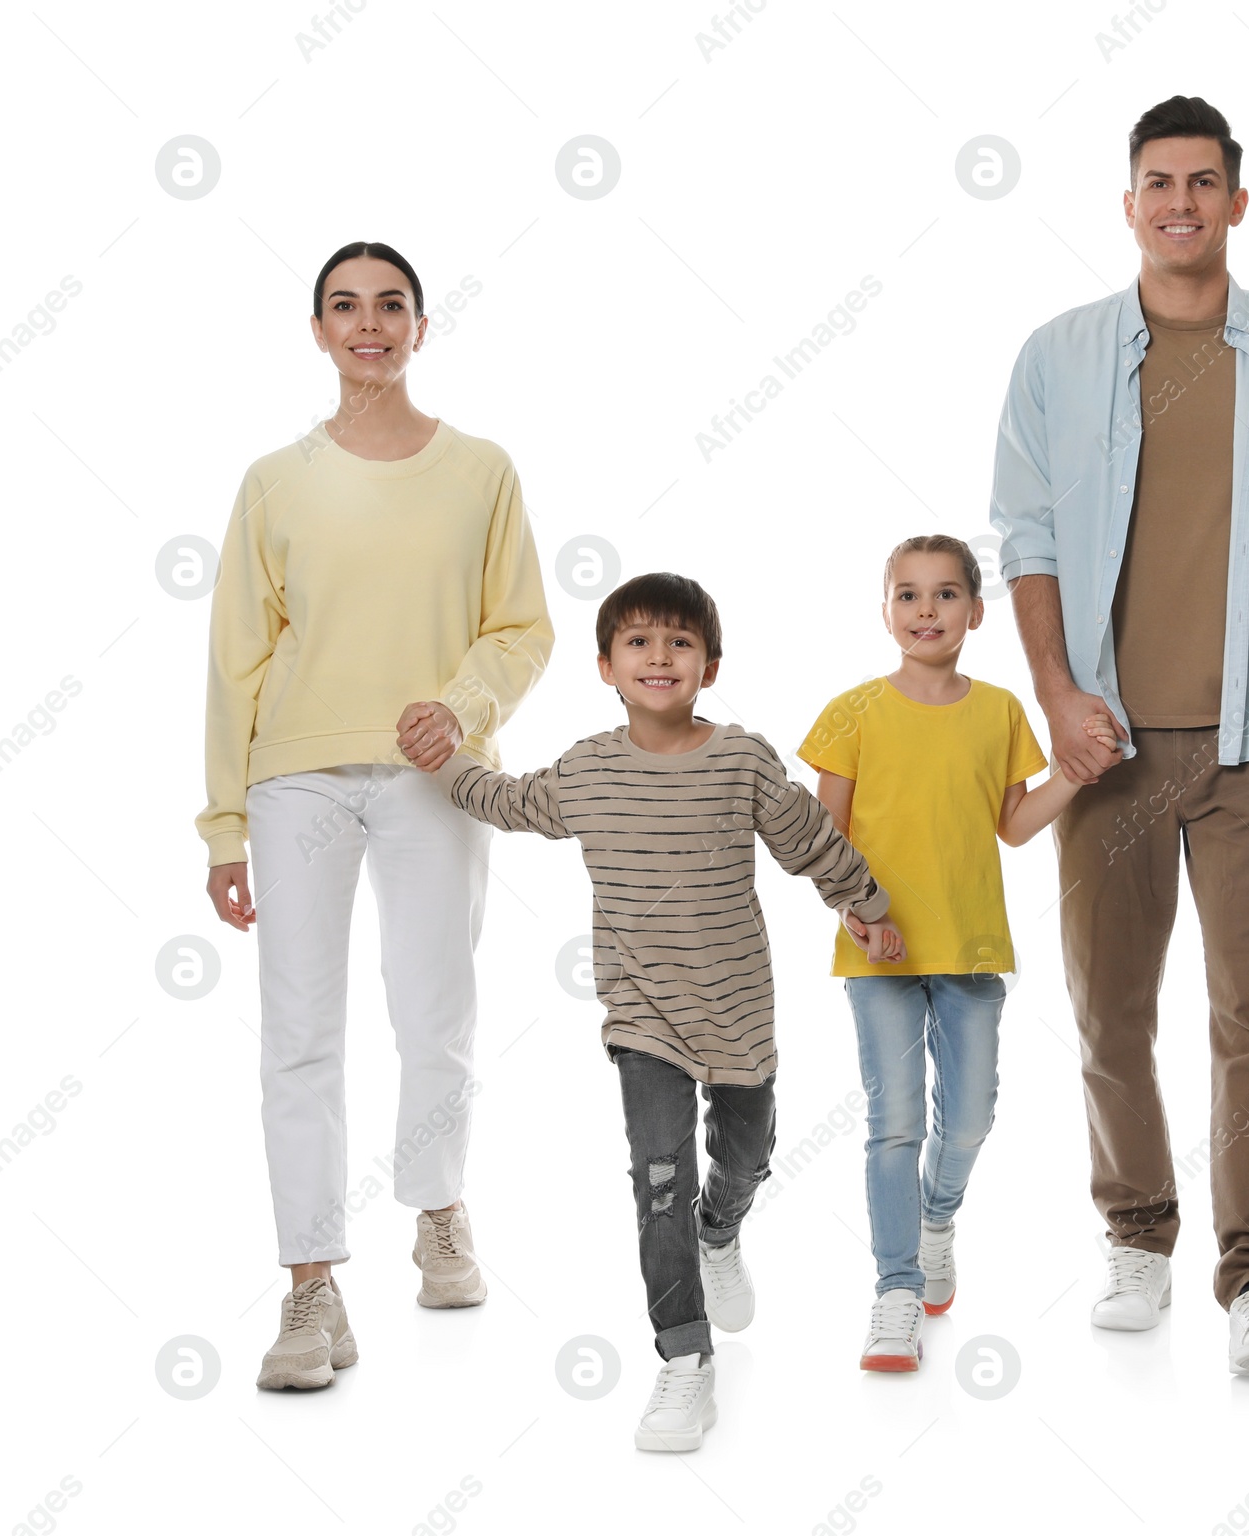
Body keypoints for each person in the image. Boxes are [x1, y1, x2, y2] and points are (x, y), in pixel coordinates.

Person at [991, 96, 1249, 1376]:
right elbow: (1030, 541)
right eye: (1157, 182)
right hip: (1105, 750)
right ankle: (1137, 1234)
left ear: (1236, 201)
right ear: (1126, 204)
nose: (1179, 202)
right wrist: (1056, 698)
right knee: (1107, 1007)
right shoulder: (1055, 356)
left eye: (1202, 182)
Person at [422, 571, 905, 1450]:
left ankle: (723, 1231)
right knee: (657, 1182)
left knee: (748, 1150)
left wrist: (867, 906)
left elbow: (809, 841)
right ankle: (685, 1360)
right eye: (638, 642)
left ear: (709, 667)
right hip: (642, 1017)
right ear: (606, 665)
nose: (659, 656)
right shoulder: (590, 769)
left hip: (738, 1012)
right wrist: (449, 759)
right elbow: (508, 801)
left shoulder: (743, 759)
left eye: (679, 642)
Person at [197, 241, 554, 1390]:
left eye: (389, 306)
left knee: (435, 1012)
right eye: (344, 307)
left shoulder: (483, 470)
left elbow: (521, 628)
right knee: (298, 1036)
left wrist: (458, 711)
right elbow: (235, 661)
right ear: (317, 331)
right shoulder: (275, 480)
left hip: (434, 779)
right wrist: (222, 828)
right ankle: (309, 1291)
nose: (368, 324)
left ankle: (438, 1211)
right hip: (295, 777)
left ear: (420, 327)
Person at [799, 535, 1114, 1372]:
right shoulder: (851, 713)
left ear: (976, 612)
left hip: (971, 948)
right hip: (879, 956)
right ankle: (895, 1291)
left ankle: (937, 1217)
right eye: (907, 595)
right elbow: (822, 840)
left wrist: (1076, 776)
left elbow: (1012, 825)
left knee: (969, 1116)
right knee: (892, 1124)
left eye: (944, 596)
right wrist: (857, 917)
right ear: (885, 611)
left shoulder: (1002, 711)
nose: (925, 610)